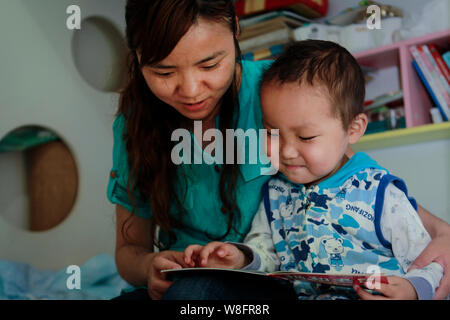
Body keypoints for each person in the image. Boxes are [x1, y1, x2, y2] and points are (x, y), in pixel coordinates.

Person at [110, 0, 450, 300]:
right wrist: (149, 265)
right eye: (164, 72)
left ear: (236, 30)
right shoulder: (134, 125)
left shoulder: (277, 92)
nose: (191, 90)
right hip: (206, 273)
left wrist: (442, 233)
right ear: (137, 59)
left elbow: (352, 185)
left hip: (266, 285)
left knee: (195, 296)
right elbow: (129, 250)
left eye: (210, 65)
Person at [183, 40, 446, 300]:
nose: (286, 151)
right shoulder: (276, 192)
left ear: (353, 129)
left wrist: (413, 291)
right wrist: (239, 256)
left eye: (306, 137)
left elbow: (427, 260)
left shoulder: (379, 193)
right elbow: (268, 251)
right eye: (272, 133)